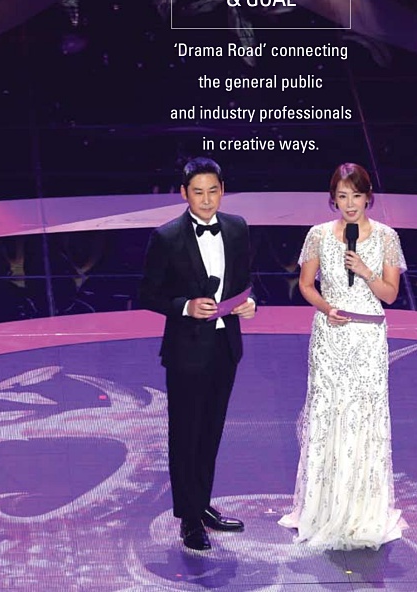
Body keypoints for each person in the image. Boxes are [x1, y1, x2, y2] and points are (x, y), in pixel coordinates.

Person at [279, 162, 407, 550]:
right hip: (330, 336)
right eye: (342, 196)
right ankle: (322, 508)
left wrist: (366, 271)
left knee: (364, 415)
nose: (350, 204)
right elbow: (306, 285)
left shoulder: (386, 237)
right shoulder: (318, 235)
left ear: (368, 197)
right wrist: (326, 308)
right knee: (328, 412)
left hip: (368, 338)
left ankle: (362, 509)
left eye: (356, 195)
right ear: (333, 199)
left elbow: (390, 295)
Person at [139, 157, 255, 551]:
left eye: (213, 191)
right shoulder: (167, 237)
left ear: (223, 191)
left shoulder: (237, 228)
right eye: (198, 192)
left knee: (211, 432)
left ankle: (202, 505)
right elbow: (147, 294)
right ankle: (189, 519)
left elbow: (245, 281)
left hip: (226, 347)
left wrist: (249, 303)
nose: (206, 200)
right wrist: (186, 307)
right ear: (183, 193)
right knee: (185, 434)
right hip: (186, 351)